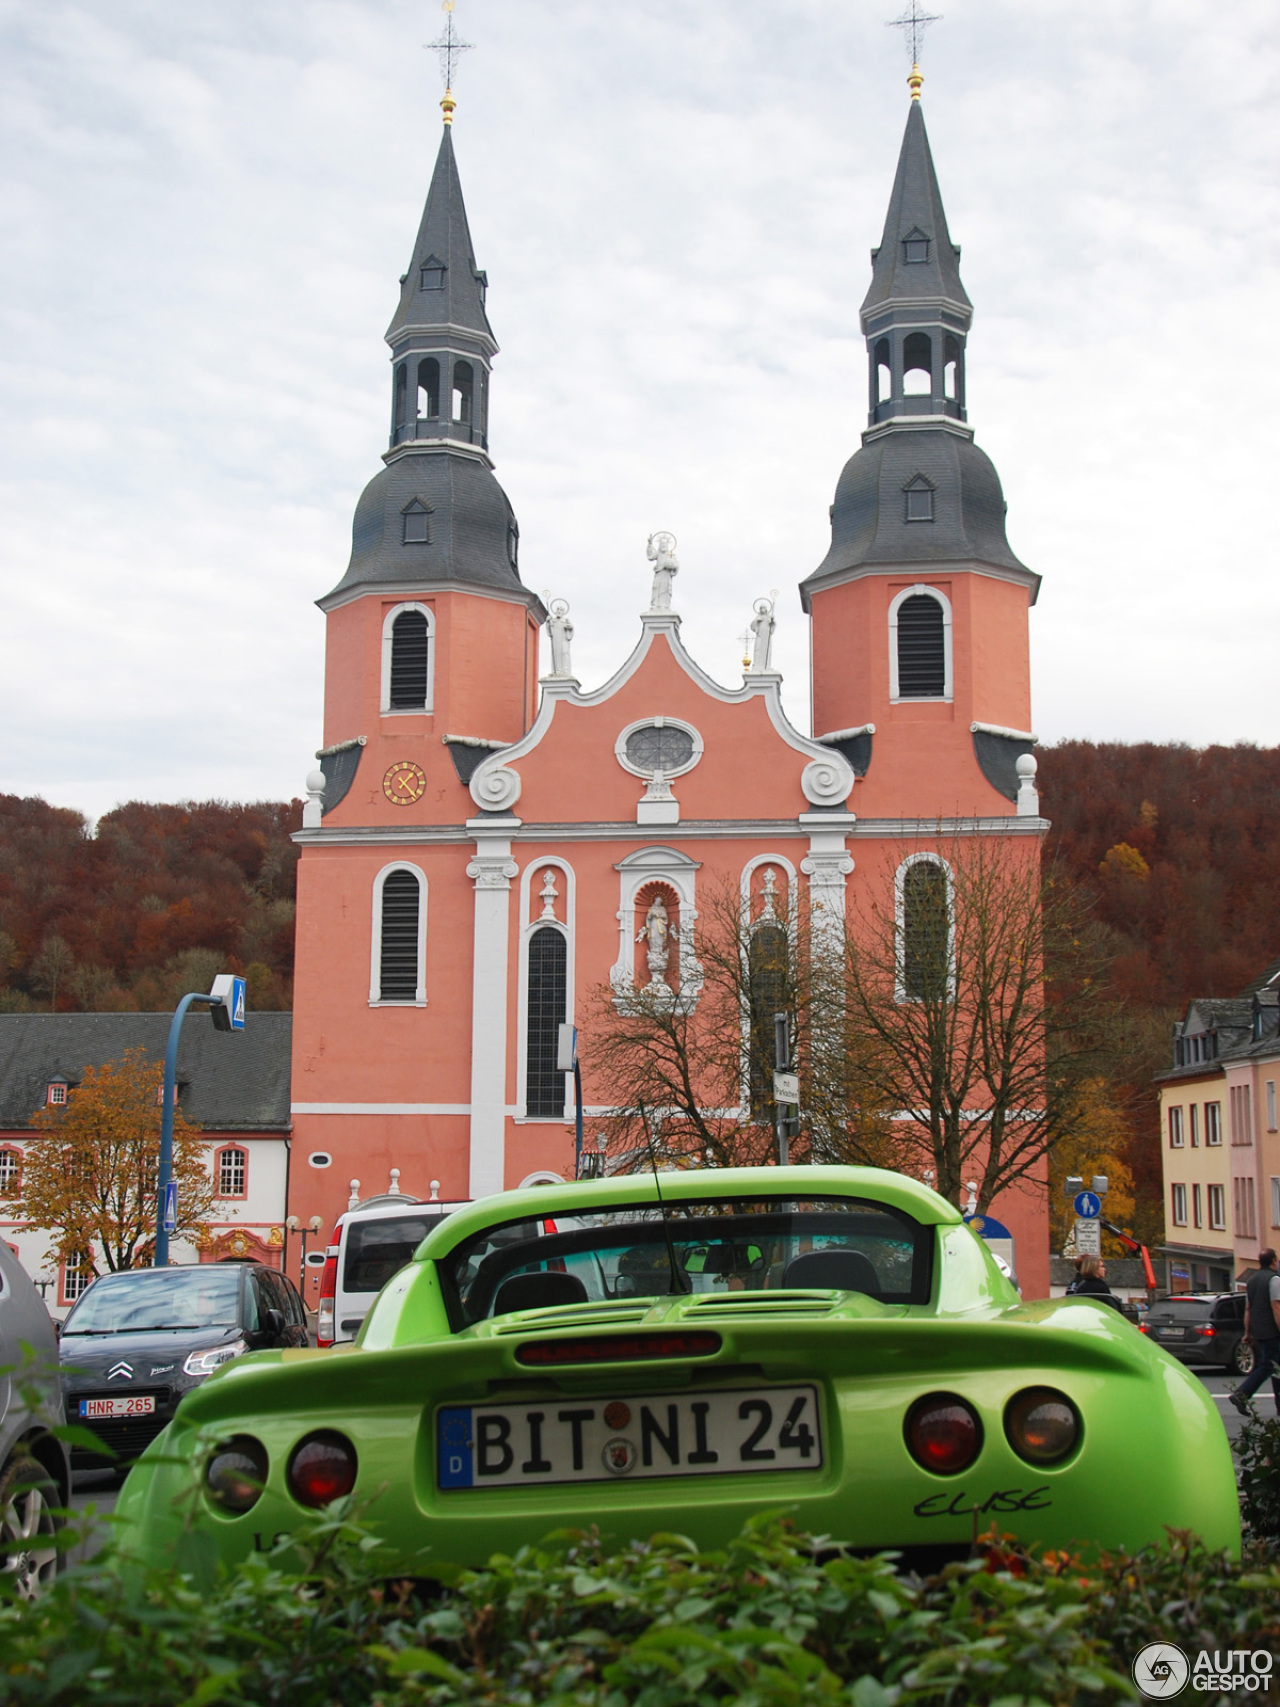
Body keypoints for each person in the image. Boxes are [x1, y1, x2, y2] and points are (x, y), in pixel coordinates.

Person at [1230, 1249, 1280, 1415]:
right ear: (1273, 1261)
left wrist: (1247, 1332)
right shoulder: (1274, 1279)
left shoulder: (1252, 1281)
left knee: (1275, 1367)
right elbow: (1276, 1306)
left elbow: (1248, 1309)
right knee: (1269, 1366)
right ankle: (1241, 1394)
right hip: (1272, 1331)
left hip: (1259, 1331)